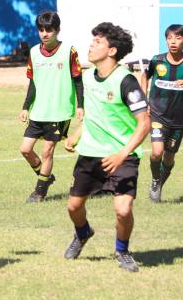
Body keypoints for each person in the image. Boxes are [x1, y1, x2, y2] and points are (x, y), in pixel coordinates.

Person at [63, 22, 150, 273]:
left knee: (123, 210)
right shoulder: (89, 77)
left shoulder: (126, 82)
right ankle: (82, 233)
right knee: (73, 207)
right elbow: (93, 112)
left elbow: (144, 124)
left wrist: (122, 154)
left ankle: (122, 251)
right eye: (92, 41)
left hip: (122, 156)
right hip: (90, 154)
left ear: (112, 51)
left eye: (98, 42)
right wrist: (77, 134)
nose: (91, 45)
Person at [19, 11, 84, 202]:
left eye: (49, 30)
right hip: (39, 110)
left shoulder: (69, 51)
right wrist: (25, 107)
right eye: (41, 30)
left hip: (59, 111)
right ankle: (45, 177)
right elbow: (33, 82)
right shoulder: (33, 52)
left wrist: (81, 105)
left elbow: (78, 80)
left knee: (47, 151)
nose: (45, 34)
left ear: (58, 30)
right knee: (25, 149)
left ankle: (39, 192)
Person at [141, 24, 183, 203]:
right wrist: (144, 100)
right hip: (158, 114)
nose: (173, 42)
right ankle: (155, 180)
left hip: (179, 119)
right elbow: (144, 76)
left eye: (178, 38)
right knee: (156, 152)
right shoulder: (157, 61)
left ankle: (159, 183)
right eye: (170, 38)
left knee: (169, 157)